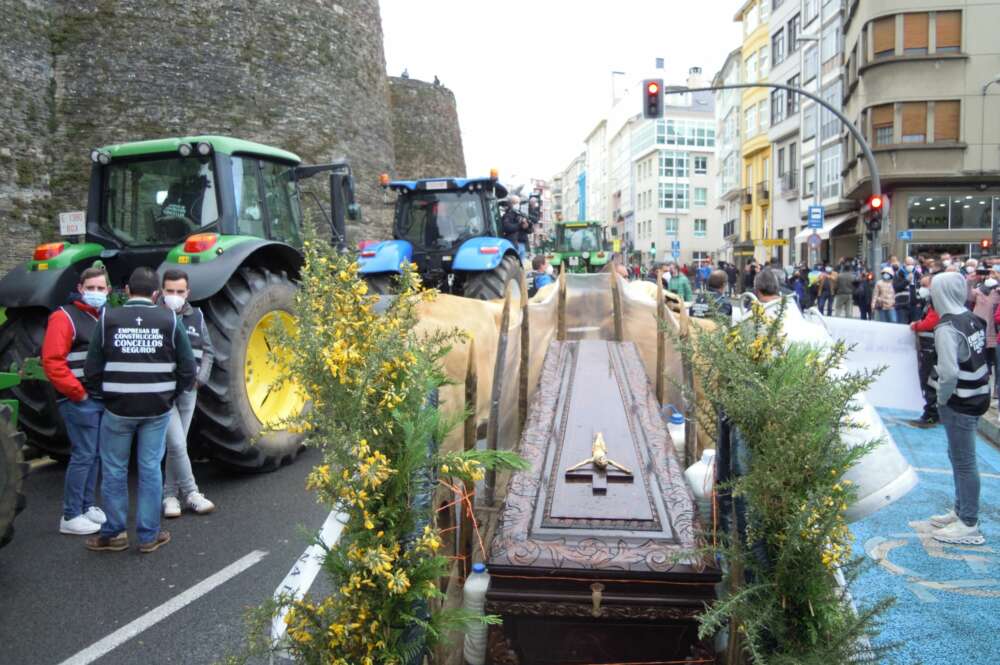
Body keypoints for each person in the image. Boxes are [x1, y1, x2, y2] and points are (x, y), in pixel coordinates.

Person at [83, 267, 197, 553]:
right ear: (157, 294)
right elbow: (188, 368)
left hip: (118, 409)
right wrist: (170, 394)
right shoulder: (170, 319)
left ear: (126, 291)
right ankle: (148, 535)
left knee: (114, 470)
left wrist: (106, 394)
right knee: (149, 469)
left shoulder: (109, 317)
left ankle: (115, 533)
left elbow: (92, 368)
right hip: (156, 410)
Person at [42, 266, 110, 536]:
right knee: (83, 455)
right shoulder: (64, 317)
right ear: (80, 289)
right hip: (79, 399)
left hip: (97, 398)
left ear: (108, 291)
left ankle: (86, 505)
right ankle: (70, 514)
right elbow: (53, 361)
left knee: (94, 455)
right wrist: (77, 393)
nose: (95, 293)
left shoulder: (101, 316)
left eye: (100, 288)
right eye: (90, 288)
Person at [926, 271, 988, 545]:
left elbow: (949, 373)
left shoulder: (946, 327)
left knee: (963, 461)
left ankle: (968, 523)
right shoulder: (970, 317)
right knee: (960, 457)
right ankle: (961, 510)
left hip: (959, 401)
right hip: (978, 395)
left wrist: (941, 398)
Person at [160, 269, 216, 518]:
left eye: (179, 292)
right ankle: (190, 493)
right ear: (162, 291)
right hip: (164, 392)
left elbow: (208, 350)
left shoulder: (197, 316)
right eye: (169, 291)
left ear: (187, 293)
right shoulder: (156, 316)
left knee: (177, 444)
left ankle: (171, 496)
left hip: (188, 390)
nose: (174, 296)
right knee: (177, 443)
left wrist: (200, 379)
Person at [911, 275, 940, 426]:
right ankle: (935, 411)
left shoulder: (937, 301)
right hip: (933, 344)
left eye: (925, 285)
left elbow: (931, 322)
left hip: (931, 346)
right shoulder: (937, 300)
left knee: (928, 379)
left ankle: (931, 413)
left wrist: (916, 326)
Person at [500, 196, 529, 262]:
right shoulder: (507, 215)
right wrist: (520, 225)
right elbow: (507, 227)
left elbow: (530, 230)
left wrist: (527, 226)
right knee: (513, 265)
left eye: (519, 203)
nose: (518, 205)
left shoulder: (521, 214)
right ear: (511, 204)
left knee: (521, 267)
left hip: (522, 243)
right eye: (516, 203)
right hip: (513, 243)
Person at [894, 256, 919, 324]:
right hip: (902, 305)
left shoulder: (917, 274)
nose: (910, 266)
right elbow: (896, 287)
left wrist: (919, 301)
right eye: (908, 264)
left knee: (914, 326)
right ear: (904, 264)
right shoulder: (898, 274)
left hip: (914, 306)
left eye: (912, 264)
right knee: (902, 326)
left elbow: (919, 288)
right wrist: (907, 280)